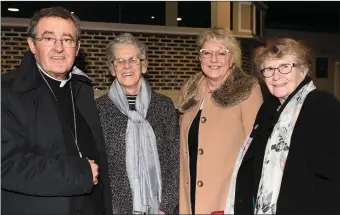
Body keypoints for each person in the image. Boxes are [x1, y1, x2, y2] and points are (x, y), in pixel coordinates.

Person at [1, 7, 112, 215]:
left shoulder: (82, 90)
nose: (59, 48)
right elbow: (5, 165)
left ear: (77, 48)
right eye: (49, 38)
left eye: (67, 39)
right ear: (32, 44)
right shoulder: (7, 92)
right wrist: (80, 173)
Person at [225, 38, 340, 215]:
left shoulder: (322, 105)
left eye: (285, 67)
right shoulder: (268, 109)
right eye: (269, 69)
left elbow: (332, 177)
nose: (276, 76)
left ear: (303, 69)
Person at [177, 27, 263, 214]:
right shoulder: (191, 91)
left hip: (227, 199)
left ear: (232, 58)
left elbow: (258, 149)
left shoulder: (247, 90)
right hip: (189, 197)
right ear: (200, 58)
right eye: (207, 53)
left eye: (221, 53)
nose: (213, 59)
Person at [96, 33, 179, 214]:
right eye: (120, 61)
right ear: (112, 68)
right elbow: (97, 163)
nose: (127, 66)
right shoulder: (99, 109)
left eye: (133, 60)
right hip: (114, 209)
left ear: (143, 65)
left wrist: (166, 206)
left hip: (159, 208)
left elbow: (175, 158)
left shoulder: (163, 105)